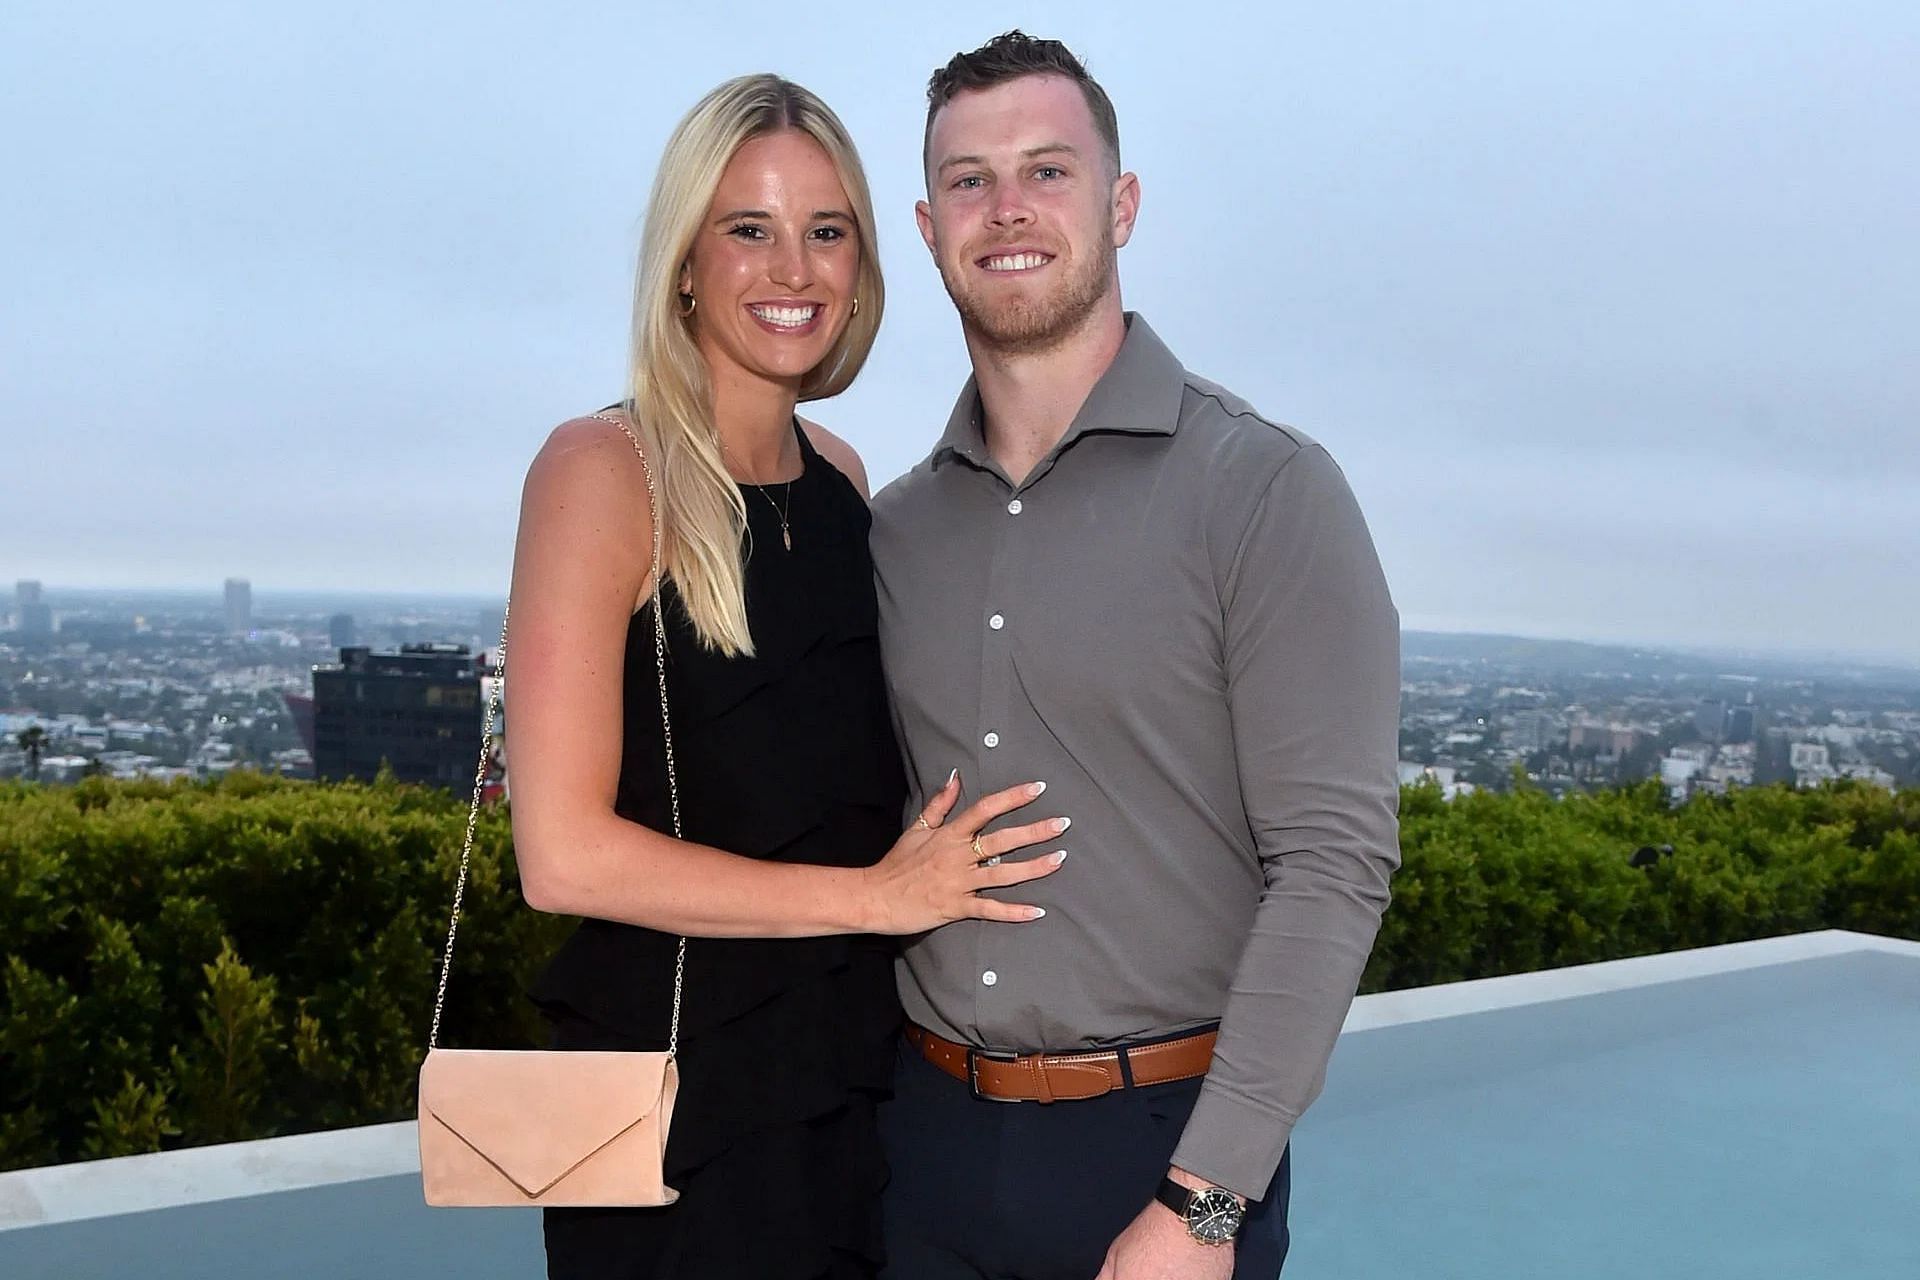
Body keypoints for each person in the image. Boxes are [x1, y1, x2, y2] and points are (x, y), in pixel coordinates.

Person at [502, 74, 1068, 1280]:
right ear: (686, 264)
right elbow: (558, 855)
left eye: (827, 231)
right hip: (676, 1115)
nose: (792, 268)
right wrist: (874, 897)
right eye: (748, 228)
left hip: (853, 1079)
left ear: (863, 267)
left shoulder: (846, 484)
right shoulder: (601, 472)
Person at [869, 32, 1402, 1280]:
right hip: (920, 1144)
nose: (1007, 208)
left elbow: (1332, 864)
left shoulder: (1266, 490)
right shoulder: (892, 531)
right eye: (969, 180)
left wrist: (1203, 1204)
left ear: (1121, 205)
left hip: (1163, 1156)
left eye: (1047, 171)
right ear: (927, 223)